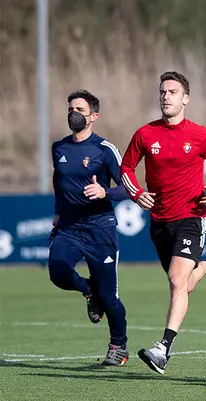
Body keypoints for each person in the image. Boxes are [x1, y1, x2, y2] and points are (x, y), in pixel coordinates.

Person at [120, 71, 206, 375]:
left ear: (185, 99)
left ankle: (163, 350)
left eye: (172, 91)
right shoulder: (145, 134)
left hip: (192, 216)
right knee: (183, 284)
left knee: (175, 280)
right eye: (162, 91)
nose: (166, 96)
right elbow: (126, 168)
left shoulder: (201, 135)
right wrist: (136, 194)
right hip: (159, 221)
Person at [49, 90, 130, 366]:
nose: (74, 113)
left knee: (109, 298)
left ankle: (119, 346)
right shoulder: (58, 147)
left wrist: (104, 192)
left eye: (80, 109)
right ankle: (88, 290)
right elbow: (58, 182)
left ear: (94, 116)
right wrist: (58, 215)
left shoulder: (104, 149)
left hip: (100, 229)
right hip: (69, 228)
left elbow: (129, 188)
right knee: (58, 270)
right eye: (71, 108)